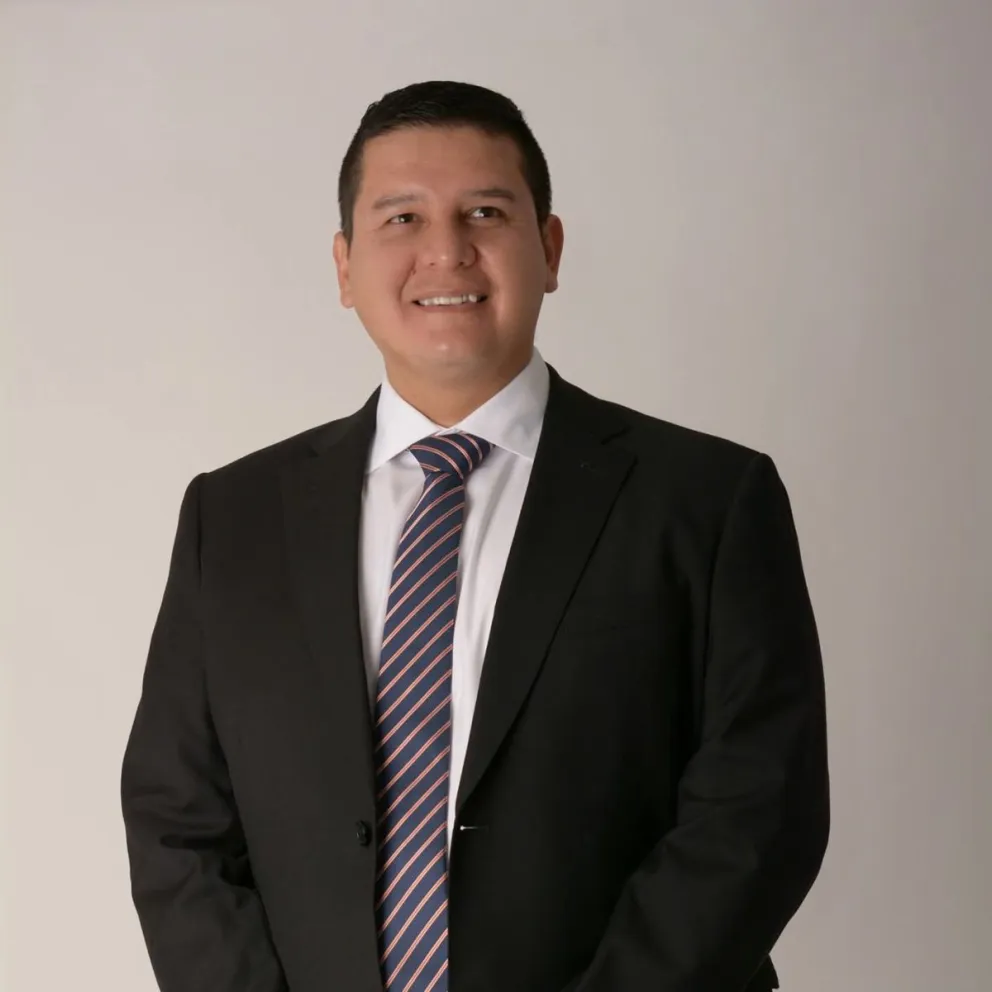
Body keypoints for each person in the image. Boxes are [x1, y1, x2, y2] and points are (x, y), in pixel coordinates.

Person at [121, 80, 829, 992]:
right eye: (402, 218)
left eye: (485, 212)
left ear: (550, 248)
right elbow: (178, 822)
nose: (446, 250)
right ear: (344, 267)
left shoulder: (708, 500)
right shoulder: (234, 517)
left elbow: (758, 810)